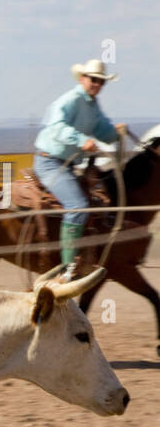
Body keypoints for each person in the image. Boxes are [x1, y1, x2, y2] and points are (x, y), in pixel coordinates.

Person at [32, 58, 128, 279]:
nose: (97, 85)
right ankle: (68, 269)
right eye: (94, 79)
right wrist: (81, 139)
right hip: (50, 162)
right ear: (83, 78)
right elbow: (56, 127)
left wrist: (115, 132)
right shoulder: (72, 99)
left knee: (97, 198)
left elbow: (102, 129)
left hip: (67, 164)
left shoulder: (93, 105)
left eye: (101, 82)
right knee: (77, 205)